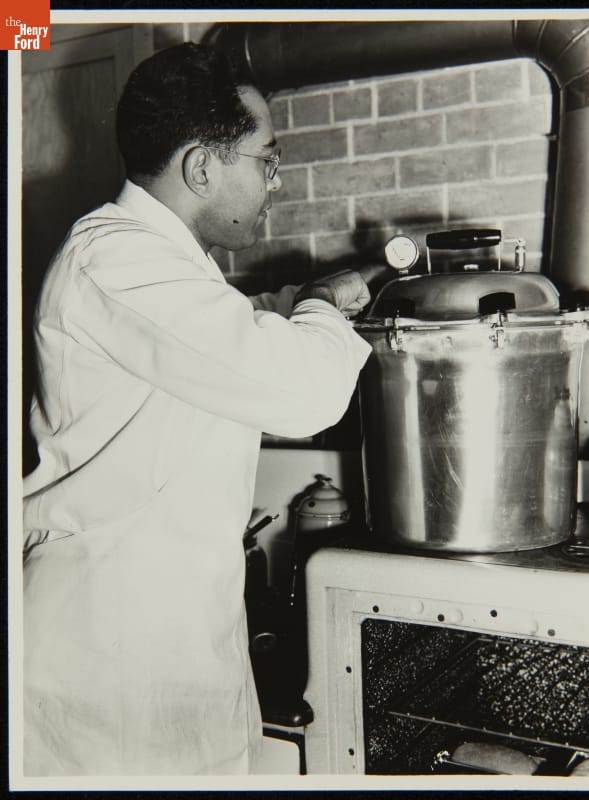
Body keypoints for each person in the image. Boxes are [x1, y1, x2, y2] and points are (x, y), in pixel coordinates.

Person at [22, 42, 373, 776]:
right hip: (110, 659)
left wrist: (284, 308)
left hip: (175, 640)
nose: (274, 181)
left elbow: (214, 343)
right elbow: (303, 395)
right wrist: (315, 303)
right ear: (201, 167)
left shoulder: (169, 266)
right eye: (266, 159)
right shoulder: (113, 257)